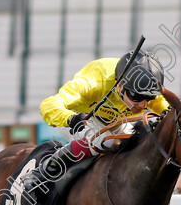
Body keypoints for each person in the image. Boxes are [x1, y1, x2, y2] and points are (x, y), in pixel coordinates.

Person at [28, 50, 170, 190]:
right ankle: (42, 173)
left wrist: (169, 114)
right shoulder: (94, 83)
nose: (144, 105)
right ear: (120, 86)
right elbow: (48, 104)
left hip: (112, 120)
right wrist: (70, 118)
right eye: (137, 97)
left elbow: (163, 105)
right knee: (104, 141)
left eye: (149, 98)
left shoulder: (139, 86)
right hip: (80, 117)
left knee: (139, 139)